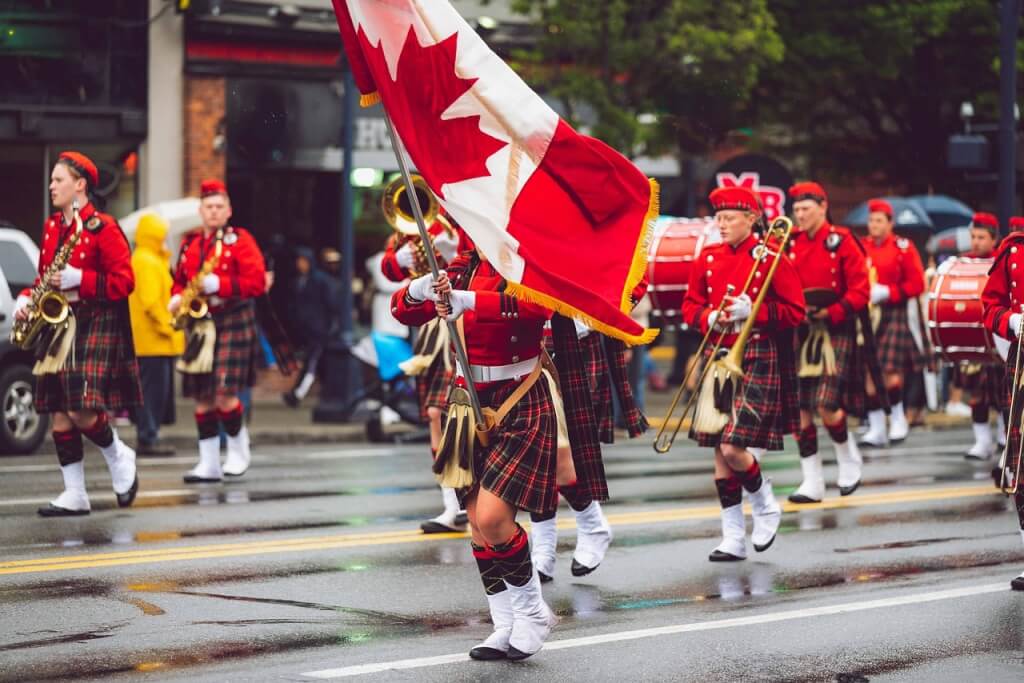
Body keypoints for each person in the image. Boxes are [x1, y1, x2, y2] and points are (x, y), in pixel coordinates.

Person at [392, 247, 559, 661]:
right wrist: (419, 289)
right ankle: (503, 624)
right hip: (467, 398)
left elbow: (541, 305)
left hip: (518, 395)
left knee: (492, 517)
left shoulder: (527, 258)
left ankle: (533, 613)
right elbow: (404, 313)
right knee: (478, 527)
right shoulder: (464, 265)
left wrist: (469, 301)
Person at [13, 151, 141, 516]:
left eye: (59, 180)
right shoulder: (53, 226)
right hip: (58, 321)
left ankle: (118, 453)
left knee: (80, 409)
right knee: (58, 410)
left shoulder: (104, 228)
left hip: (93, 320)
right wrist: (27, 298)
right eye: (52, 180)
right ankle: (75, 493)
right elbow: (44, 277)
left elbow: (125, 282)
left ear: (80, 185)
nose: (52, 186)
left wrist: (80, 280)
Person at [681, 186, 805, 561]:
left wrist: (754, 312)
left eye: (729, 217)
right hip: (718, 353)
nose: (721, 224)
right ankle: (732, 535)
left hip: (756, 351)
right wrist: (709, 317)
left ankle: (765, 503)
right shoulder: (706, 257)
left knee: (734, 446)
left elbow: (795, 311)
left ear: (751, 219)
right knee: (720, 452)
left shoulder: (770, 256)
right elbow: (690, 306)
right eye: (718, 217)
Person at [170, 179, 266, 483]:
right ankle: (208, 463)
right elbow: (180, 279)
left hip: (233, 317)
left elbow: (257, 282)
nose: (213, 212)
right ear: (200, 210)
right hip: (201, 323)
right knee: (203, 396)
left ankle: (239, 451)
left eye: (218, 206)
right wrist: (175, 296)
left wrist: (221, 286)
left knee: (225, 392)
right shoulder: (191, 244)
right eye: (208, 207)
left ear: (228, 210)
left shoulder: (241, 241)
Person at [381, 214, 469, 533]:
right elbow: (389, 271)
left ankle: (469, 499)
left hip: (462, 317)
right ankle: (453, 505)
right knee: (435, 413)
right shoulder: (416, 224)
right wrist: (399, 258)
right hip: (431, 325)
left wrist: (455, 250)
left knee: (456, 414)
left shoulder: (462, 213)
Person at [785, 182, 869, 503]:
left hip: (835, 329)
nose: (800, 215)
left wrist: (831, 311)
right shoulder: (789, 243)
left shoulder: (842, 241)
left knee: (827, 405)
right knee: (801, 411)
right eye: (797, 209)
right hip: (801, 330)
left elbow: (861, 290)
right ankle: (812, 481)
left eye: (806, 209)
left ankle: (848, 458)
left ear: (823, 207)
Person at [858, 199, 927, 447]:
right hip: (867, 315)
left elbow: (918, 284)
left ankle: (898, 419)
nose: (873, 225)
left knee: (891, 374)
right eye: (871, 220)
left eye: (879, 220)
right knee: (869, 373)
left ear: (890, 223)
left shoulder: (903, 247)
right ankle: (877, 428)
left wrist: (888, 292)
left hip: (894, 311)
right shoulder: (861, 246)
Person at [980, 226, 1024, 590]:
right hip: (1022, 355)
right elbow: (989, 305)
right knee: (1022, 460)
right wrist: (1009, 320)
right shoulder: (1012, 252)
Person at [129, 213, 185, 456]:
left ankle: (150, 435)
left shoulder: (151, 259)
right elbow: (151, 302)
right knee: (151, 393)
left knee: (154, 393)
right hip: (151, 340)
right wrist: (169, 325)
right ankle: (147, 437)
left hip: (155, 341)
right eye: (162, 233)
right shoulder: (145, 261)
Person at [957, 213, 1005, 459]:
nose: (975, 242)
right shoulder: (963, 263)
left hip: (997, 339)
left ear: (994, 239)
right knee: (976, 394)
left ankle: (1004, 436)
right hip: (973, 338)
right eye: (973, 237)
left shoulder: (1002, 261)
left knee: (1002, 393)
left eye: (981, 237)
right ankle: (982, 442)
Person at [282, 246, 340, 407]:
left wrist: (330, 326)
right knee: (318, 364)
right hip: (307, 329)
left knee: (312, 362)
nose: (299, 264)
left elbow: (331, 304)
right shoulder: (299, 280)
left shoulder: (320, 280)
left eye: (302, 261)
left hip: (320, 329)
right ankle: (326, 393)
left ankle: (298, 393)